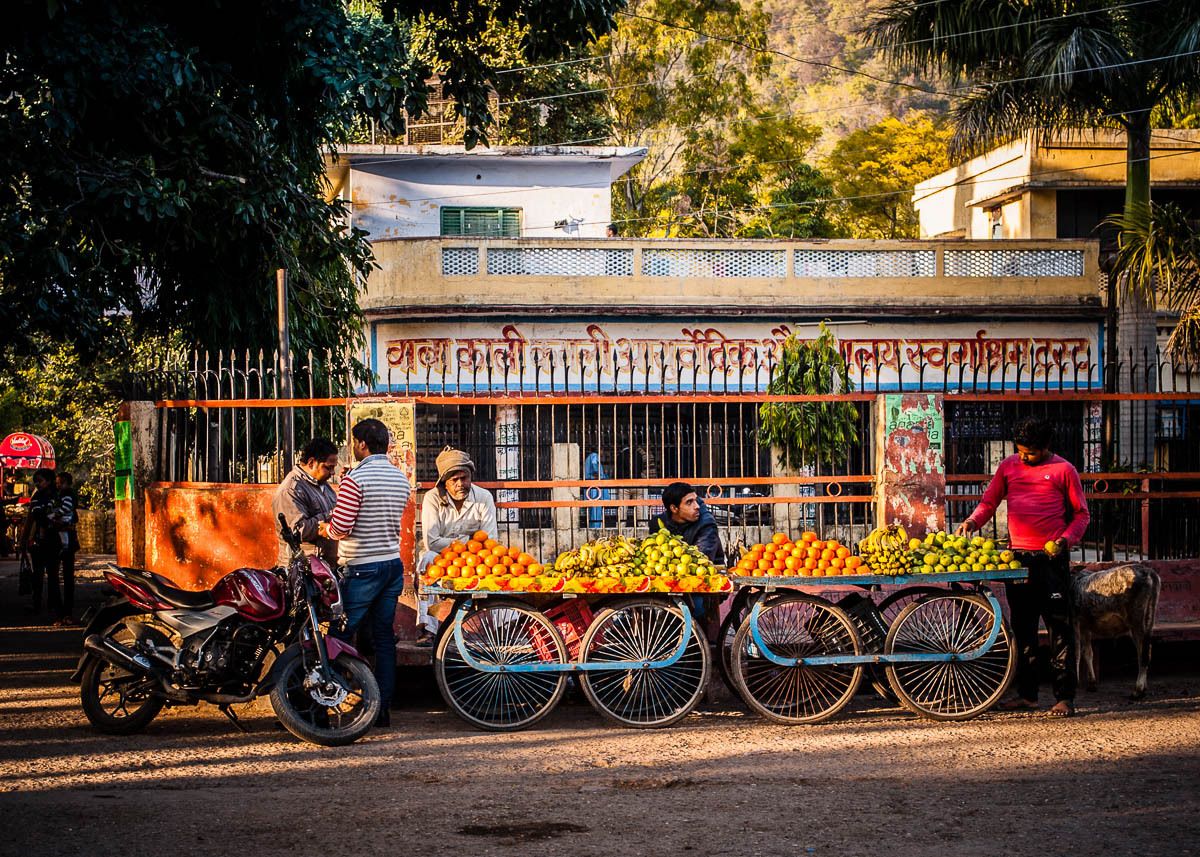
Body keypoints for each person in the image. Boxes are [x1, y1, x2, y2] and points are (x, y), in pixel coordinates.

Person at [955, 416, 1090, 717]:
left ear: (1045, 447)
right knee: (1023, 629)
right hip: (1018, 560)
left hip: (1053, 561)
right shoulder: (1009, 466)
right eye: (1021, 450)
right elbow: (989, 502)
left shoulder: (1064, 470)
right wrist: (972, 521)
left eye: (1030, 452)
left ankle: (1064, 696)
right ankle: (1027, 695)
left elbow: (1082, 515)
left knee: (1059, 628)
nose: (1024, 456)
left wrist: (1066, 541)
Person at [322, 419, 411, 727]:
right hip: (391, 564)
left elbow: (341, 528)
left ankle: (323, 703)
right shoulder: (400, 479)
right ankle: (382, 708)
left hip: (361, 567)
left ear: (361, 444)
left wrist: (326, 527)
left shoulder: (355, 480)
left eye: (354, 443)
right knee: (383, 638)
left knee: (340, 635)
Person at [416, 447, 497, 642]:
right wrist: (469, 543)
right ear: (444, 482)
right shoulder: (432, 498)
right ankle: (430, 629)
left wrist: (469, 549)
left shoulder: (483, 497)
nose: (461, 484)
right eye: (454, 480)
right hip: (442, 558)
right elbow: (432, 542)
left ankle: (495, 630)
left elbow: (490, 539)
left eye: (465, 478)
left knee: (499, 571)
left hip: (476, 560)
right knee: (426, 561)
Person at [272, 437, 339, 568]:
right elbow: (297, 532)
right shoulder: (291, 489)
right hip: (302, 569)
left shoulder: (325, 486)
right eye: (328, 467)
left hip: (324, 567)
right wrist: (331, 515)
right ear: (311, 462)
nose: (332, 473)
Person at [18, 469, 60, 621]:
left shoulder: (56, 496)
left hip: (52, 541)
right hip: (39, 542)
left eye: (40, 480)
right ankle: (40, 604)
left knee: (51, 575)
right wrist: (23, 541)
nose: (37, 483)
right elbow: (30, 520)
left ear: (48, 481)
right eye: (36, 481)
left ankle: (52, 606)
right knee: (39, 574)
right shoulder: (37, 497)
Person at [652, 481, 724, 565]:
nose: (697, 506)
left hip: (709, 575)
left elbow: (701, 561)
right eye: (689, 502)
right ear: (674, 508)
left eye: (696, 500)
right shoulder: (658, 523)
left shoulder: (707, 525)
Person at [52, 472, 80, 625]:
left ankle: (66, 613)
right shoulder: (58, 495)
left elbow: (65, 511)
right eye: (57, 483)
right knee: (61, 578)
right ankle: (62, 613)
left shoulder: (67, 496)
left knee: (67, 577)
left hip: (65, 533)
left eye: (61, 483)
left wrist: (54, 514)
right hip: (62, 534)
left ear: (67, 483)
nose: (59, 486)